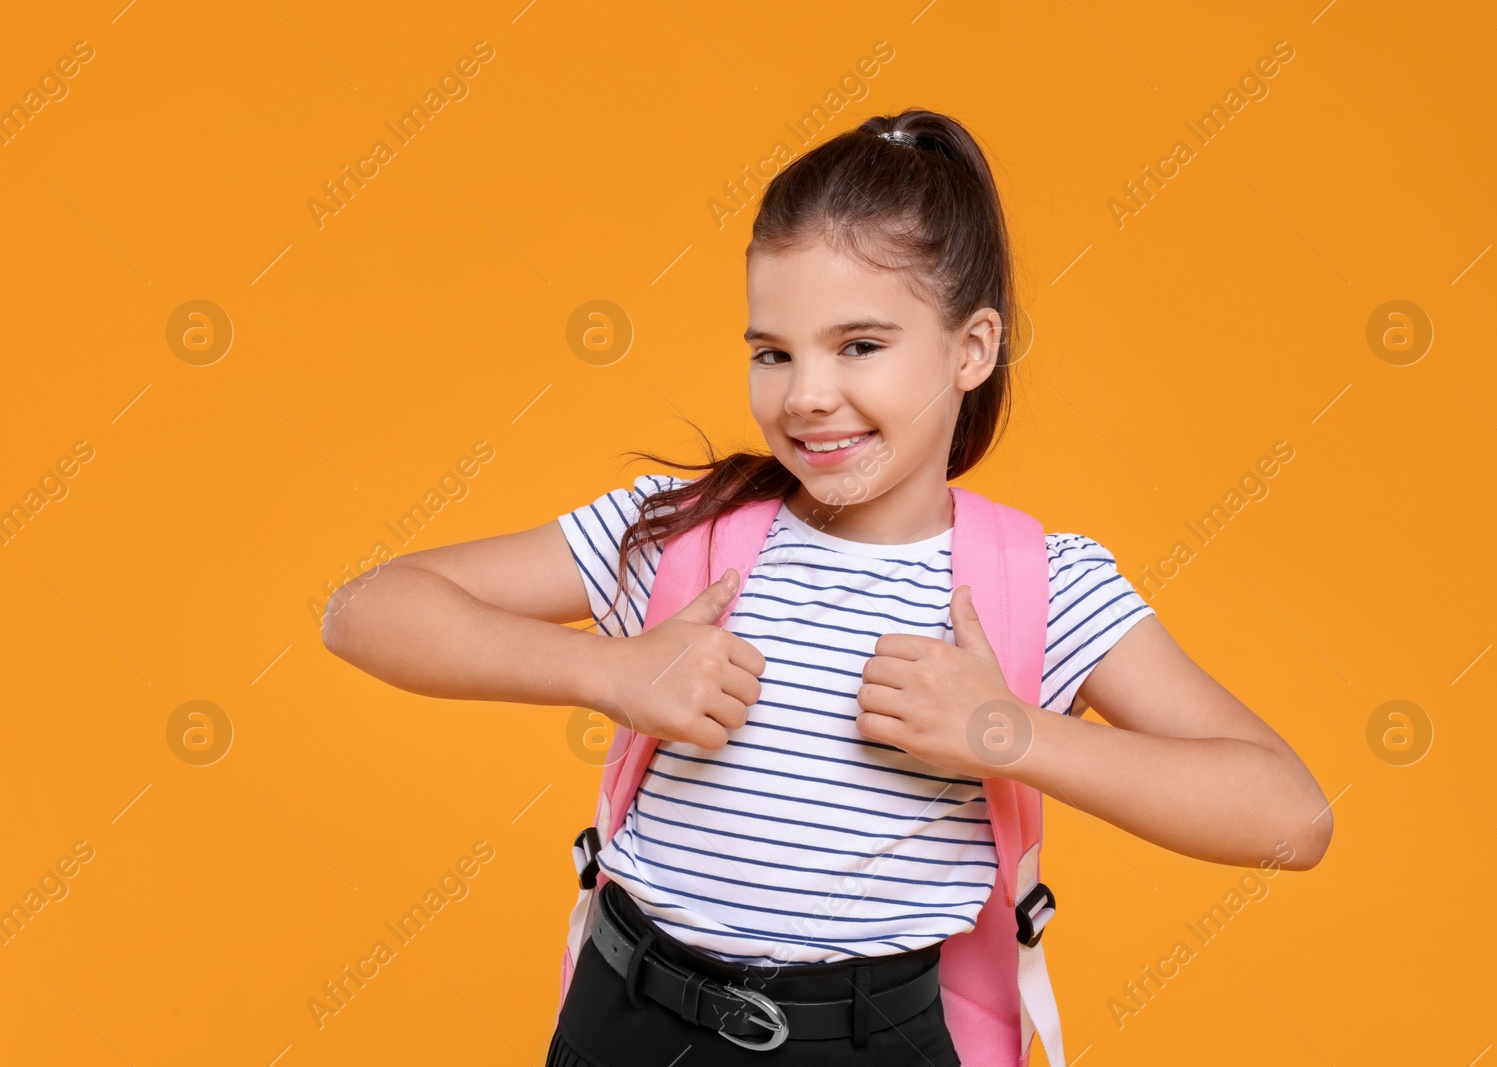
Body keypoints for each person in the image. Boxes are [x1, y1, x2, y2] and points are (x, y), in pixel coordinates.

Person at [321, 108, 1333, 1066]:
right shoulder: (683, 532)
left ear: (972, 348)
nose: (805, 393)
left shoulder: (1041, 585)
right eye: (773, 352)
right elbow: (366, 611)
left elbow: (1289, 816)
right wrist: (610, 670)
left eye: (859, 345)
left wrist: (1008, 733)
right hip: (628, 1021)